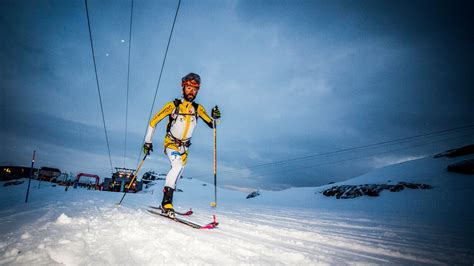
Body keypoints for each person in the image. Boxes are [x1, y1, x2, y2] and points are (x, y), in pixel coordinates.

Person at [143, 72, 221, 217]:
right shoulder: (174, 105)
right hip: (171, 143)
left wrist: (216, 117)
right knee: (177, 166)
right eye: (189, 88)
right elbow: (153, 122)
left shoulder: (198, 109)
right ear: (183, 88)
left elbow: (213, 125)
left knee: (177, 173)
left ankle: (164, 202)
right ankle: (167, 203)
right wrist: (148, 142)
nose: (191, 92)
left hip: (185, 148)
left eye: (195, 89)